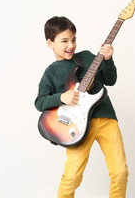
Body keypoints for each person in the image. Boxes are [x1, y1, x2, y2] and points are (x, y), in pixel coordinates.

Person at [35, 16, 129, 198]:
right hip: (76, 127)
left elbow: (111, 80)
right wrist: (61, 97)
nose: (71, 45)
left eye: (73, 39)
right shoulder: (51, 72)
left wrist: (108, 60)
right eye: (64, 41)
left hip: (106, 120)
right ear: (50, 43)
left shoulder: (86, 57)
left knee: (120, 172)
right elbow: (40, 102)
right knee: (72, 177)